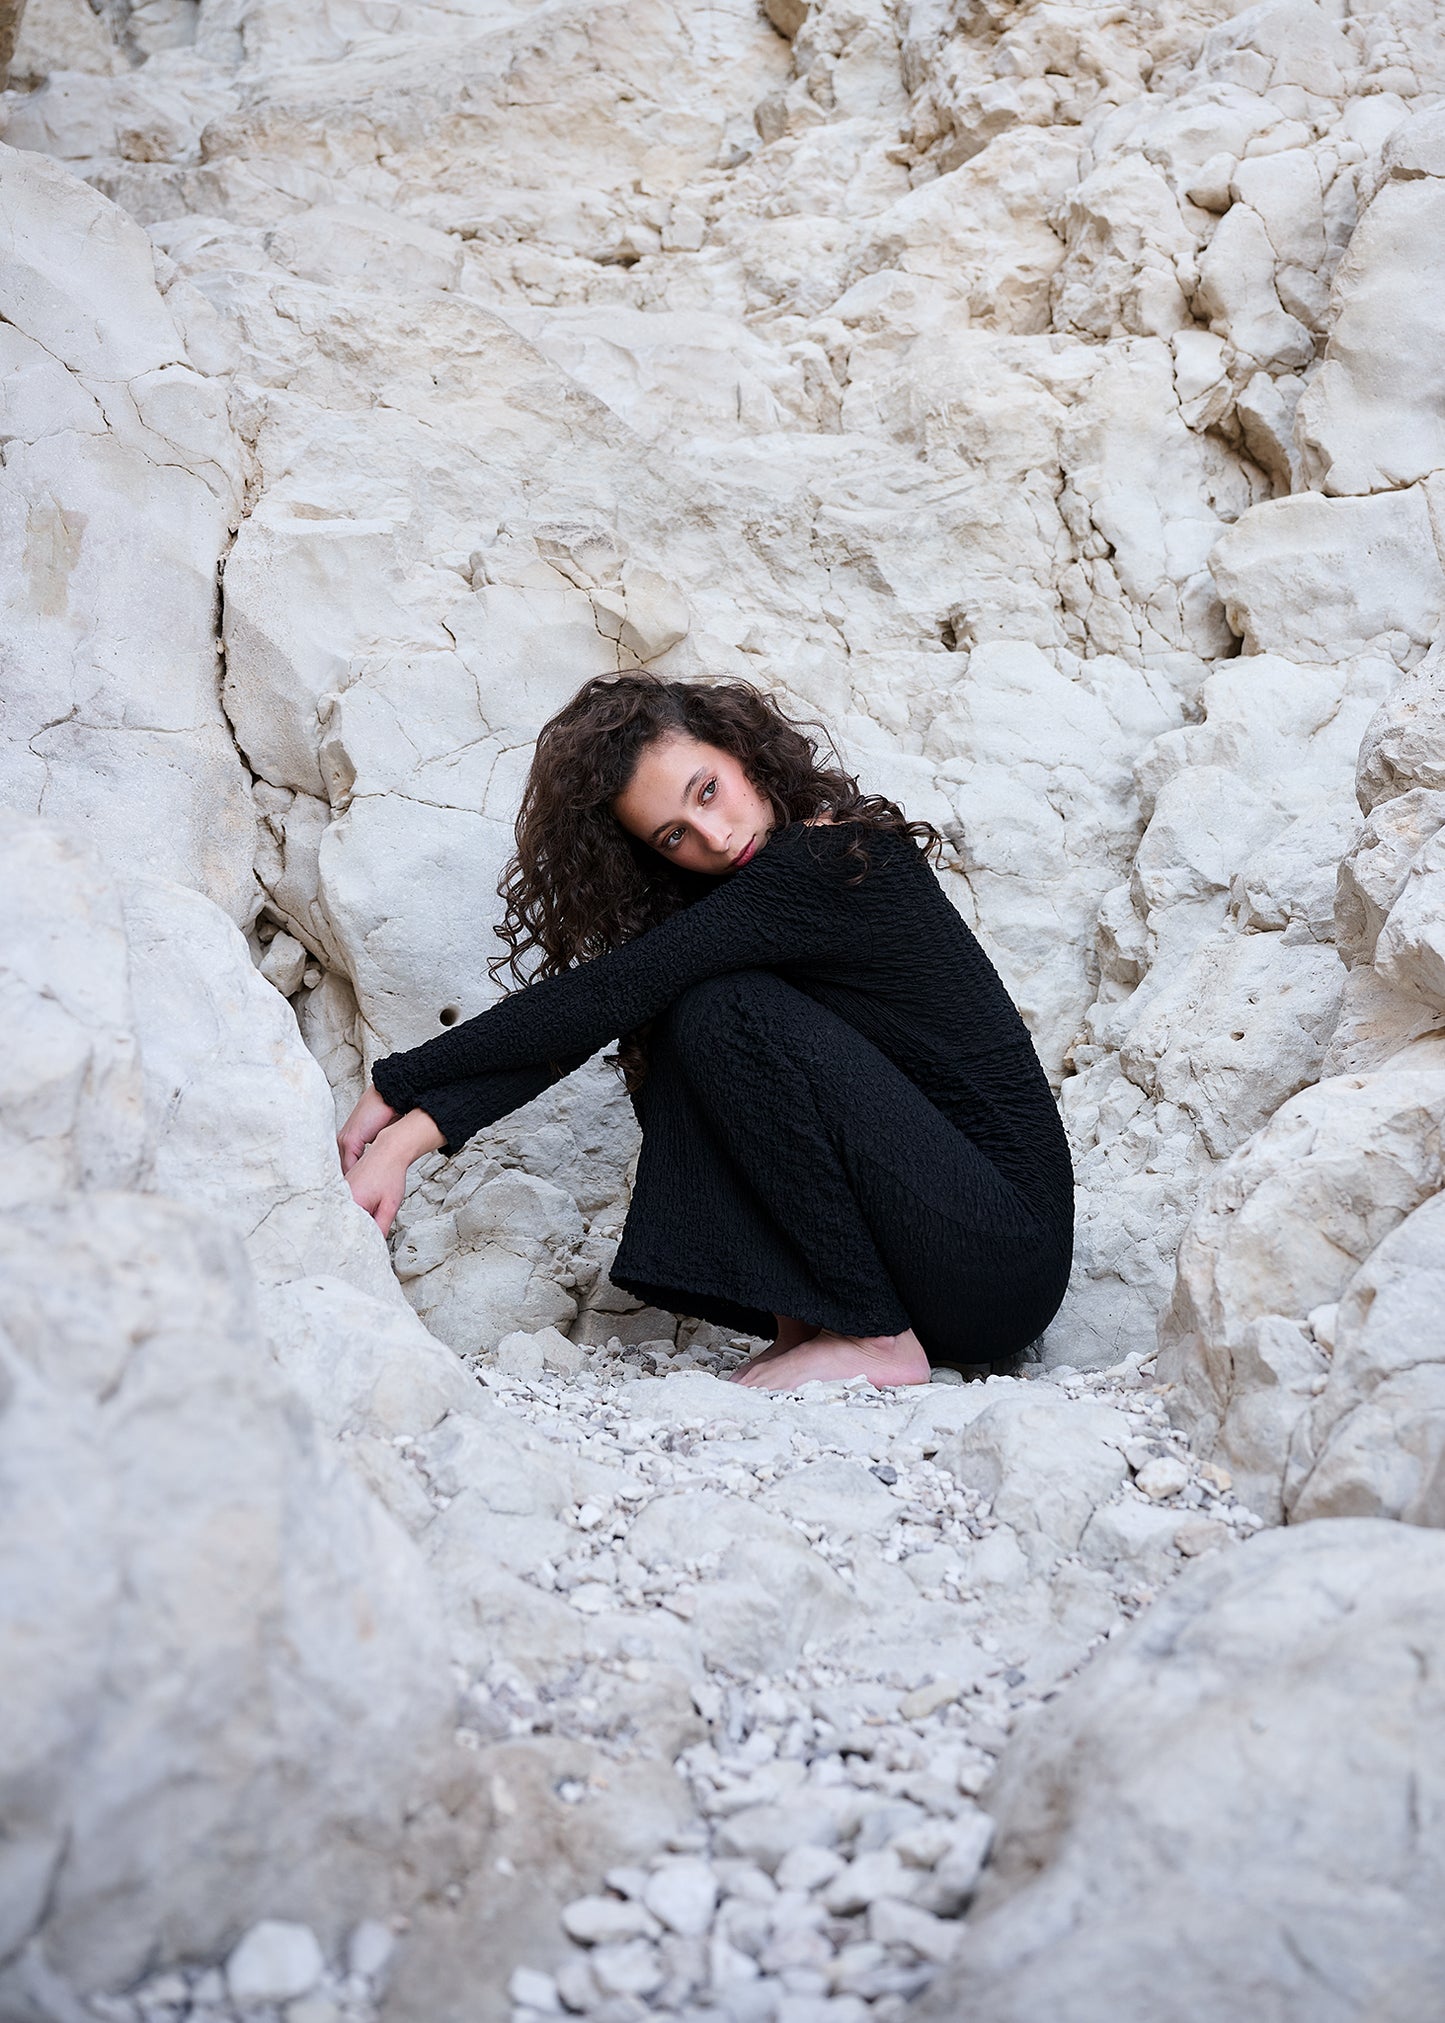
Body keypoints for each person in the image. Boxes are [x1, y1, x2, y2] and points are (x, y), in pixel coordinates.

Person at [337, 674, 1073, 1390]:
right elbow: (600, 1015)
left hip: (1000, 1254)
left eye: (708, 790)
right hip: (938, 1259)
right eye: (672, 834)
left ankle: (872, 1335)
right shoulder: (740, 911)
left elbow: (600, 994)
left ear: (740, 751)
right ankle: (819, 1322)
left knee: (724, 1010)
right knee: (686, 1017)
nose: (715, 838)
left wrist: (398, 1098)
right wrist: (413, 1127)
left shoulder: (831, 859)